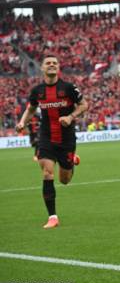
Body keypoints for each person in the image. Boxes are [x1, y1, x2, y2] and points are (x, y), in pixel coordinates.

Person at [16, 56, 88, 229]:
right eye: (48, 63)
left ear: (58, 67)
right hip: (46, 138)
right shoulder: (37, 91)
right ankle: (53, 217)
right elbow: (31, 109)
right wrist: (22, 122)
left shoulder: (69, 88)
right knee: (47, 173)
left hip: (66, 139)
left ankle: (72, 162)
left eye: (55, 63)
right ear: (42, 68)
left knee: (64, 180)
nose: (52, 65)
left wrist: (71, 117)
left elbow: (84, 105)